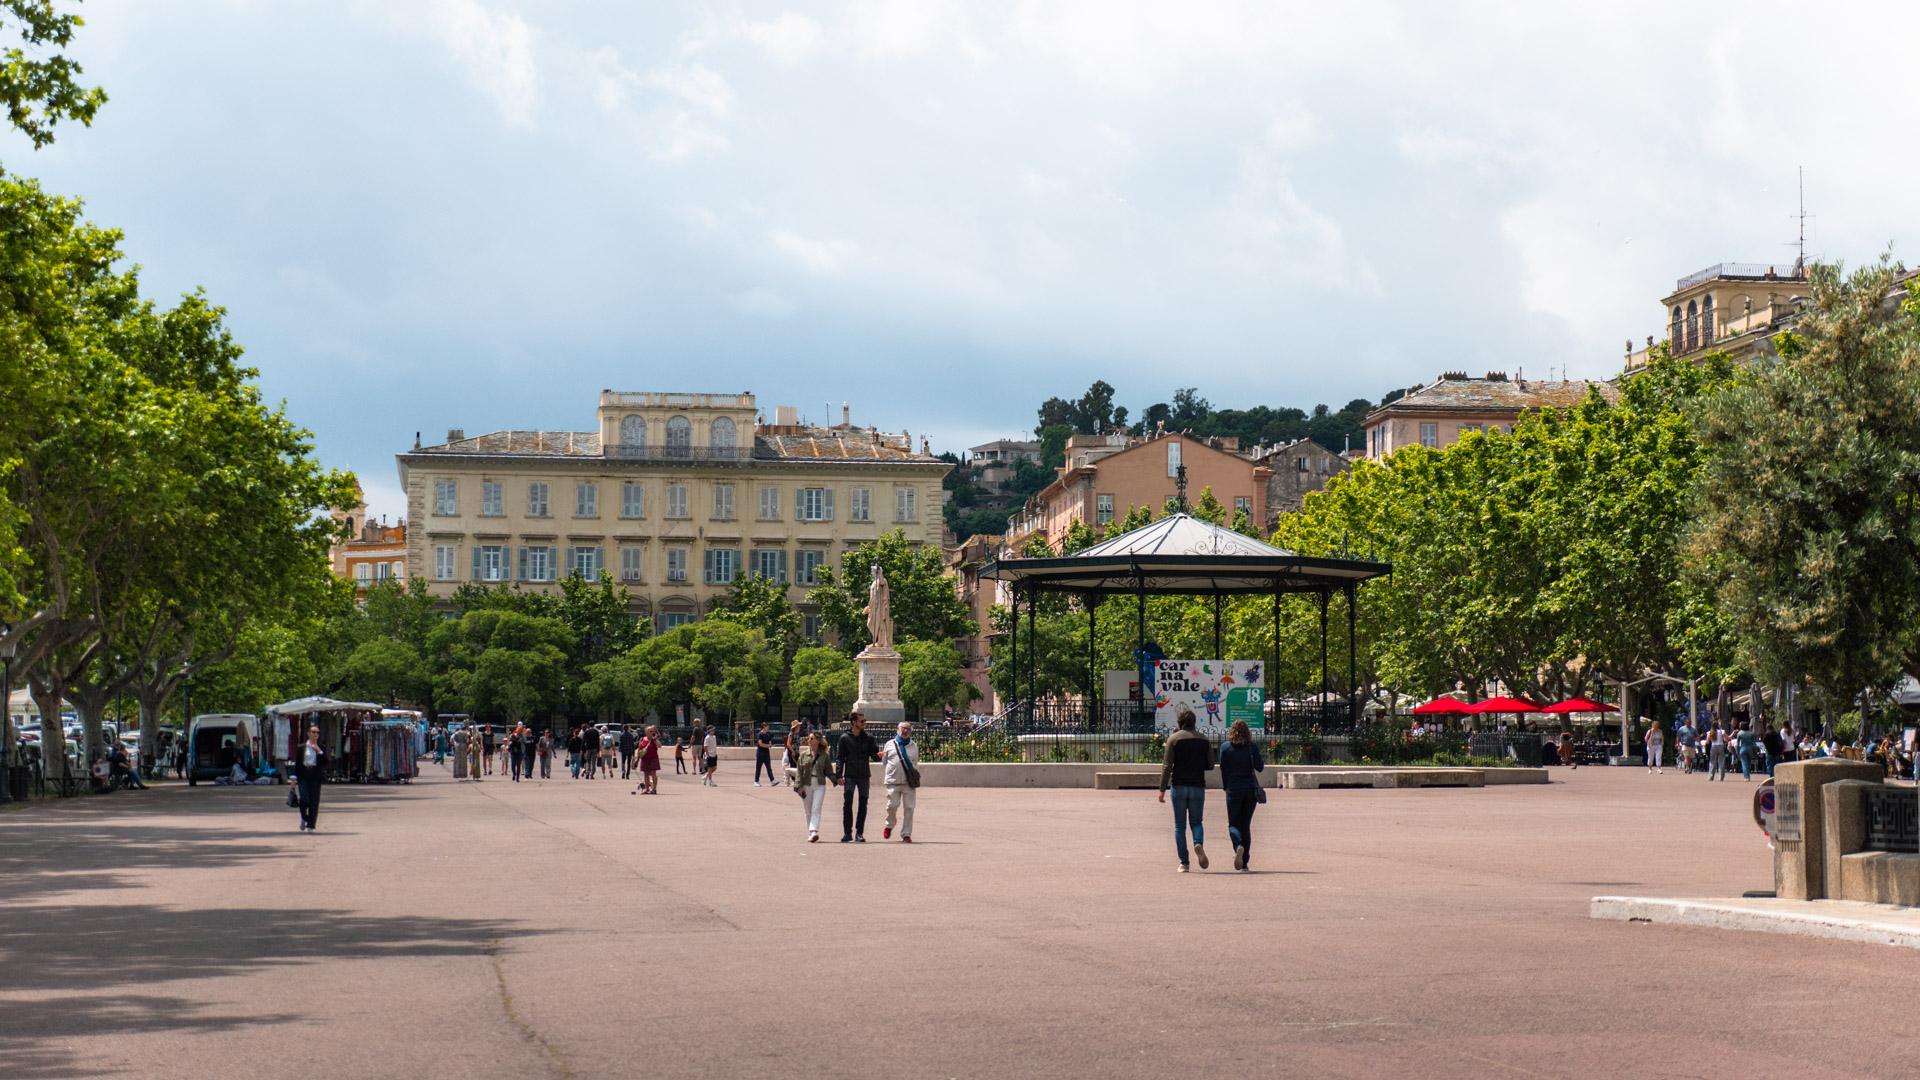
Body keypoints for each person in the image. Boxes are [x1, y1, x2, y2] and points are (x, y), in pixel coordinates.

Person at [1157, 708, 1213, 872]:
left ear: (1180, 723)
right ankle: (1198, 843)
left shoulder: (1173, 739)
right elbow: (1210, 764)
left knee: (1179, 826)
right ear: (1194, 722)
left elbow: (1167, 766)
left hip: (1179, 786)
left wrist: (1162, 789)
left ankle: (1184, 862)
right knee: (1196, 822)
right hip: (1197, 786)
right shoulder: (1204, 740)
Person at [1217, 719, 1264, 872]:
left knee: (1233, 824)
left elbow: (1223, 769)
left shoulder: (1225, 748)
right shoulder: (1252, 748)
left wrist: (1226, 787)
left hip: (1233, 789)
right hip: (1250, 790)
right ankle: (1244, 863)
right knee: (1246, 825)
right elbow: (1260, 767)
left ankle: (1238, 846)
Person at [835, 713, 881, 842]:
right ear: (854, 722)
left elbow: (874, 756)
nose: (864, 723)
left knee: (863, 804)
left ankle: (859, 833)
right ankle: (847, 833)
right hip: (850, 775)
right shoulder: (844, 738)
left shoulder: (869, 738)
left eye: (864, 721)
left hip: (863, 775)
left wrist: (880, 755)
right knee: (847, 803)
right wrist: (838, 775)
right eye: (862, 721)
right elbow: (840, 758)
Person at [879, 721, 919, 843]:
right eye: (903, 728)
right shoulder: (889, 744)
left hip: (908, 782)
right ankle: (889, 825)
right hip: (893, 781)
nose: (905, 731)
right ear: (897, 729)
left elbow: (915, 763)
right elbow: (885, 762)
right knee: (892, 806)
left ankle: (906, 834)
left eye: (908, 729)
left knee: (909, 808)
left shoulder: (913, 746)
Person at [796, 730, 836, 842]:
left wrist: (836, 780)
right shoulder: (804, 755)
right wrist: (798, 786)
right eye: (809, 738)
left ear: (818, 741)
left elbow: (828, 771)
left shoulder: (824, 756)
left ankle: (814, 831)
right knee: (808, 810)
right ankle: (810, 832)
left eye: (812, 738)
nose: (809, 740)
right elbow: (799, 771)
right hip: (806, 784)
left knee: (816, 808)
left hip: (819, 784)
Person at [292, 725, 329, 832]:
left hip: (315, 775)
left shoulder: (321, 747)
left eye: (317, 732)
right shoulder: (301, 747)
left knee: (314, 800)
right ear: (308, 733)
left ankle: (311, 825)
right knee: (304, 799)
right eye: (313, 732)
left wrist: (319, 751)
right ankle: (304, 817)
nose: (316, 734)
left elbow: (326, 762)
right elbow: (297, 764)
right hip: (303, 774)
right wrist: (293, 780)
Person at [636, 725, 661, 794]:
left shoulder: (654, 739)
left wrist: (655, 739)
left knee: (653, 774)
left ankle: (654, 789)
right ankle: (647, 789)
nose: (652, 732)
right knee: (646, 774)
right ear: (646, 732)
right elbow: (639, 750)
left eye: (653, 731)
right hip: (645, 759)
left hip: (653, 758)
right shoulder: (642, 739)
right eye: (650, 731)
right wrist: (637, 760)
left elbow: (659, 745)